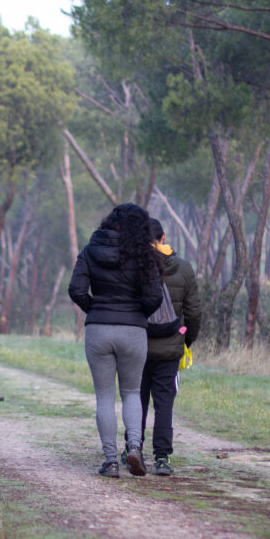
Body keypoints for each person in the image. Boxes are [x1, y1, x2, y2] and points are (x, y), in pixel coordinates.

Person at [68, 202, 163, 478]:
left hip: (98, 329)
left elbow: (76, 289)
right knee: (132, 393)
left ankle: (110, 460)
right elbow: (155, 296)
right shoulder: (143, 254)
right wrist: (137, 315)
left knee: (105, 396)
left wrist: (95, 310)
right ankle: (134, 448)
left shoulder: (90, 250)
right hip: (133, 330)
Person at [137, 218, 202, 476]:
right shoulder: (184, 268)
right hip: (169, 350)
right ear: (164, 236)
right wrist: (186, 340)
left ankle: (134, 449)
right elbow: (194, 313)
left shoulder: (136, 268)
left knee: (136, 400)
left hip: (138, 347)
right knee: (164, 404)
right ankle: (162, 458)